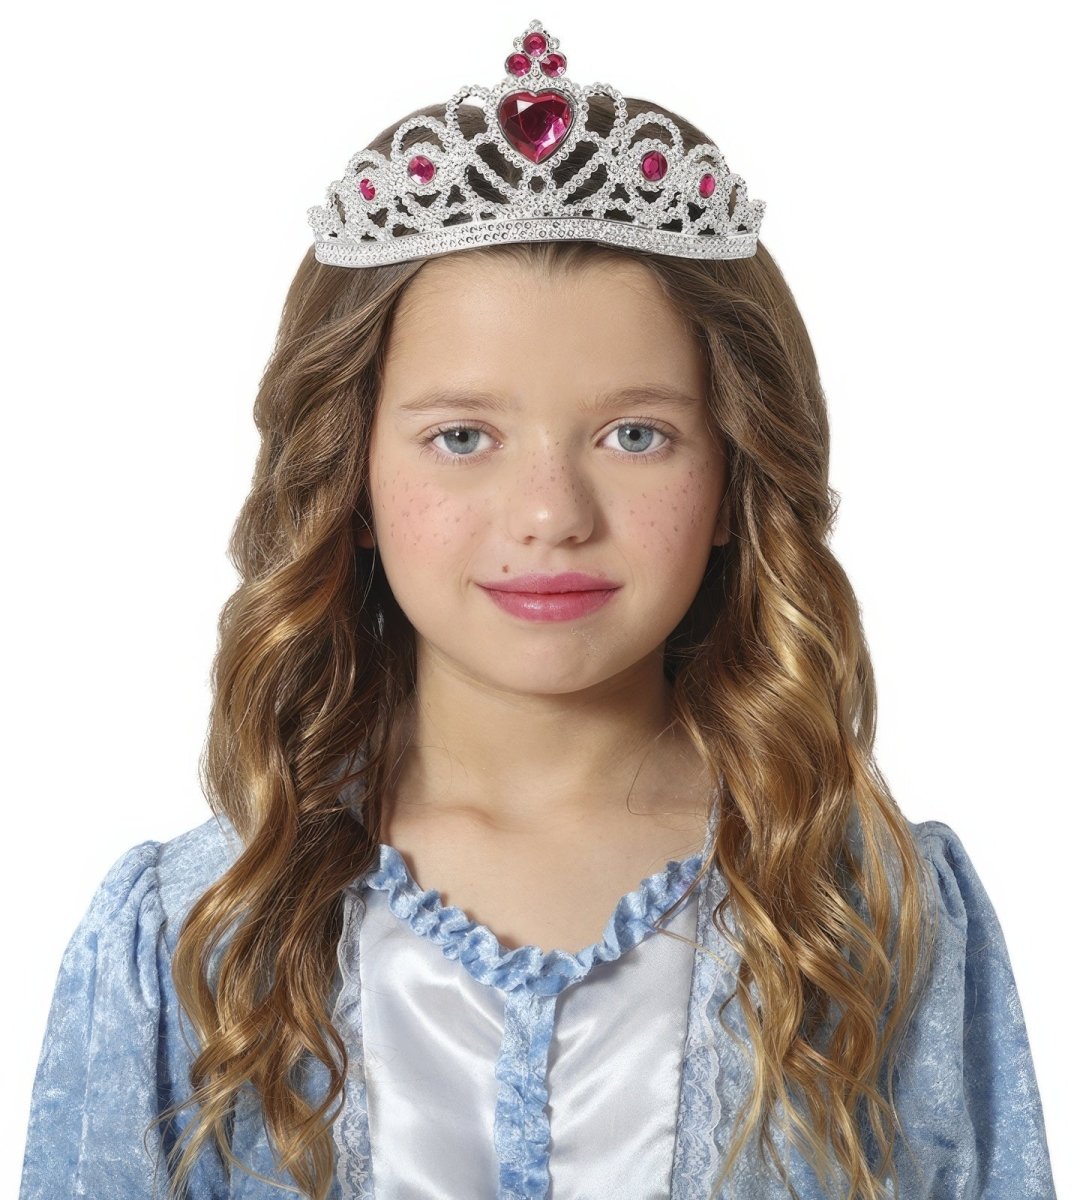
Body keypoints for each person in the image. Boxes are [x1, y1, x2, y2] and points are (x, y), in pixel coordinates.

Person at [18, 17, 1056, 1200]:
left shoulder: (866, 917)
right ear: (352, 481)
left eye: (635, 435)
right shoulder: (202, 933)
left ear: (733, 478)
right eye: (463, 437)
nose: (552, 513)